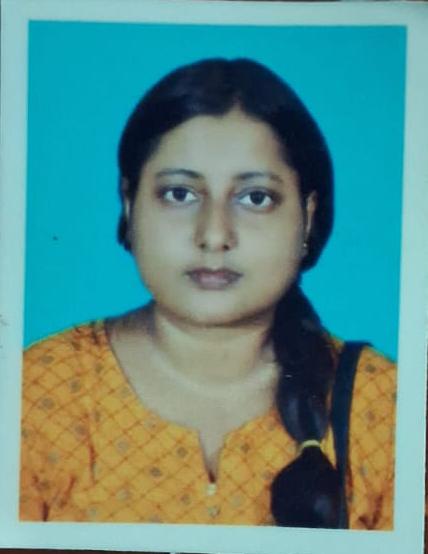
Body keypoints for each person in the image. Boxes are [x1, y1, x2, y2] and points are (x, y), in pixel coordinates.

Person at [20, 58, 396, 528]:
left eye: (255, 197)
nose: (214, 235)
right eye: (180, 194)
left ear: (308, 216)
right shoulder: (37, 392)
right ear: (129, 204)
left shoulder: (383, 408)